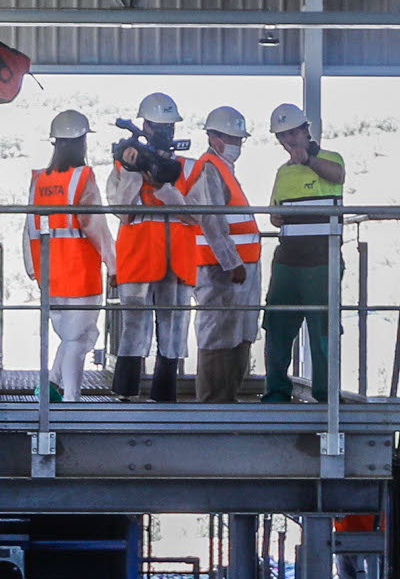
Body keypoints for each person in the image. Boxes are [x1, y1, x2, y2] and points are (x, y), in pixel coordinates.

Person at [105, 91, 193, 402]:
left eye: (169, 126)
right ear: (144, 124)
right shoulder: (123, 163)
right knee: (133, 326)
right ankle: (126, 392)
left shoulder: (187, 165)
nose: (165, 131)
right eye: (158, 125)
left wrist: (162, 187)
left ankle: (165, 393)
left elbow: (194, 214)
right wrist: (132, 174)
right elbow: (121, 210)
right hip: (138, 256)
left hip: (175, 259)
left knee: (172, 326)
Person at [26, 109, 113, 400]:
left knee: (78, 336)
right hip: (80, 272)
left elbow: (29, 229)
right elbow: (96, 227)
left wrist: (32, 269)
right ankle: (72, 399)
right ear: (81, 141)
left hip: (50, 274)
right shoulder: (83, 177)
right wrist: (114, 266)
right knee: (78, 339)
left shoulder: (39, 180)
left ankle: (49, 385)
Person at [261, 103, 345, 403]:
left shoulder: (330, 159)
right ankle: (276, 392)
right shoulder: (282, 172)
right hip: (288, 260)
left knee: (323, 327)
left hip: (322, 260)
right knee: (277, 326)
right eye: (283, 136)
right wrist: (278, 217)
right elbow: (274, 212)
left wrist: (308, 160)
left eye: (293, 133)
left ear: (306, 131)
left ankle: (326, 394)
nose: (289, 141)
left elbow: (338, 176)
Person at [180, 105, 263, 401]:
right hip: (221, 269)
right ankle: (214, 402)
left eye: (239, 140)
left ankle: (228, 397)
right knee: (217, 334)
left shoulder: (224, 168)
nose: (236, 145)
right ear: (214, 138)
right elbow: (213, 221)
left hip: (239, 268)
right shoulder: (209, 168)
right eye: (232, 139)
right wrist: (233, 262)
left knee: (238, 332)